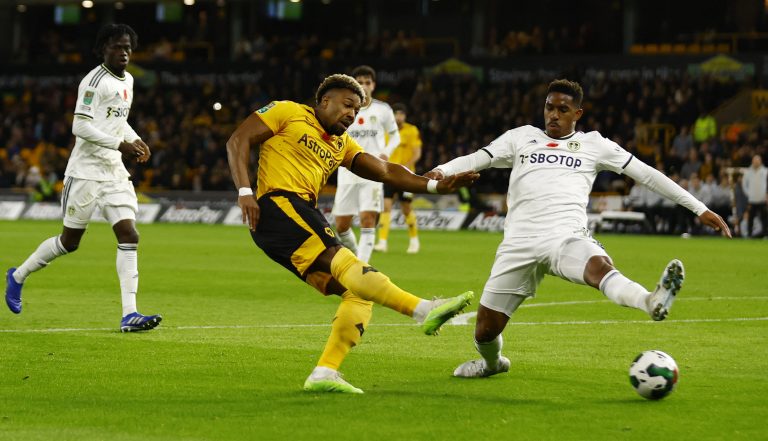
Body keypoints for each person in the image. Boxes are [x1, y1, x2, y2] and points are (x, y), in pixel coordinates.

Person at [425, 79, 731, 378]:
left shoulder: (594, 145)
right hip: (518, 244)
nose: (554, 115)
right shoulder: (521, 137)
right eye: (549, 107)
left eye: (563, 109)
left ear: (577, 114)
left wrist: (699, 208)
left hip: (564, 236)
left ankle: (650, 301)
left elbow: (647, 174)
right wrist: (442, 170)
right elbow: (477, 158)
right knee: (485, 331)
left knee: (599, 268)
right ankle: (492, 364)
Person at [225, 73, 479, 394]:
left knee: (357, 293)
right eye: (347, 105)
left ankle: (325, 372)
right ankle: (423, 309)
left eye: (357, 110)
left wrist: (433, 186)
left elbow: (385, 170)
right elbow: (238, 140)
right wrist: (245, 191)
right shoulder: (287, 111)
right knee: (346, 261)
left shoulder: (341, 144)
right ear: (324, 100)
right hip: (279, 204)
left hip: (295, 218)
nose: (352, 114)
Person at [4, 24, 161, 332]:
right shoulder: (93, 82)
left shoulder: (128, 80)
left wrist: (135, 139)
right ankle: (18, 276)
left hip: (113, 171)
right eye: (117, 47)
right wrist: (121, 145)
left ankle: (129, 314)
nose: (124, 52)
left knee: (129, 234)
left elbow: (117, 121)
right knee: (69, 242)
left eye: (128, 47)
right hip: (85, 172)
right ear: (103, 49)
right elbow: (80, 126)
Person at [331, 65, 400, 263]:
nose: (363, 85)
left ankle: (362, 268)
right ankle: (356, 257)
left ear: (373, 85)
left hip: (373, 171)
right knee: (341, 225)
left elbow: (395, 136)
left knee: (368, 220)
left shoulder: (382, 109)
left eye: (367, 82)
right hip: (347, 171)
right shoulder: (344, 109)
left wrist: (385, 153)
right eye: (359, 82)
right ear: (353, 85)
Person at [374, 103, 422, 253]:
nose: (398, 117)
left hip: (407, 175)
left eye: (401, 114)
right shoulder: (385, 130)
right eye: (396, 114)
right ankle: (382, 242)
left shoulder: (412, 130)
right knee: (386, 206)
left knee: (406, 208)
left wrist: (407, 165)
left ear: (405, 116)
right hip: (389, 174)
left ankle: (414, 240)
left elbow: (417, 152)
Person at [742, 154, 768, 238]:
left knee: (764, 218)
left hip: (762, 199)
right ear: (752, 161)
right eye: (755, 160)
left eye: (758, 160)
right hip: (752, 200)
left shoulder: (765, 171)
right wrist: (749, 194)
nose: (756, 162)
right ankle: (749, 235)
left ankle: (765, 234)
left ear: (760, 161)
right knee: (750, 218)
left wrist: (766, 194)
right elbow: (744, 185)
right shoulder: (748, 172)